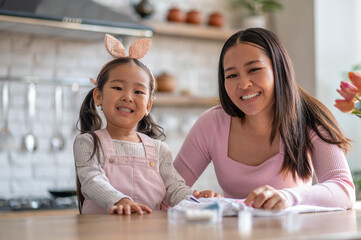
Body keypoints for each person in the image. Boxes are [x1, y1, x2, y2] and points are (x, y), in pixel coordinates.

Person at [174, 28, 355, 210]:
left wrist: (286, 197)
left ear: (279, 69)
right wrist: (196, 200)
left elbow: (344, 190)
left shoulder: (310, 119)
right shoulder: (211, 123)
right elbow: (167, 191)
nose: (244, 84)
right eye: (232, 75)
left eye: (254, 69)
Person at [74, 34, 219, 215]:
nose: (128, 96)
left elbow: (174, 189)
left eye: (138, 91)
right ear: (98, 96)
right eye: (118, 88)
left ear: (149, 105)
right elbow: (91, 180)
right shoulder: (87, 142)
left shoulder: (159, 149)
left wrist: (196, 200)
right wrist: (120, 200)